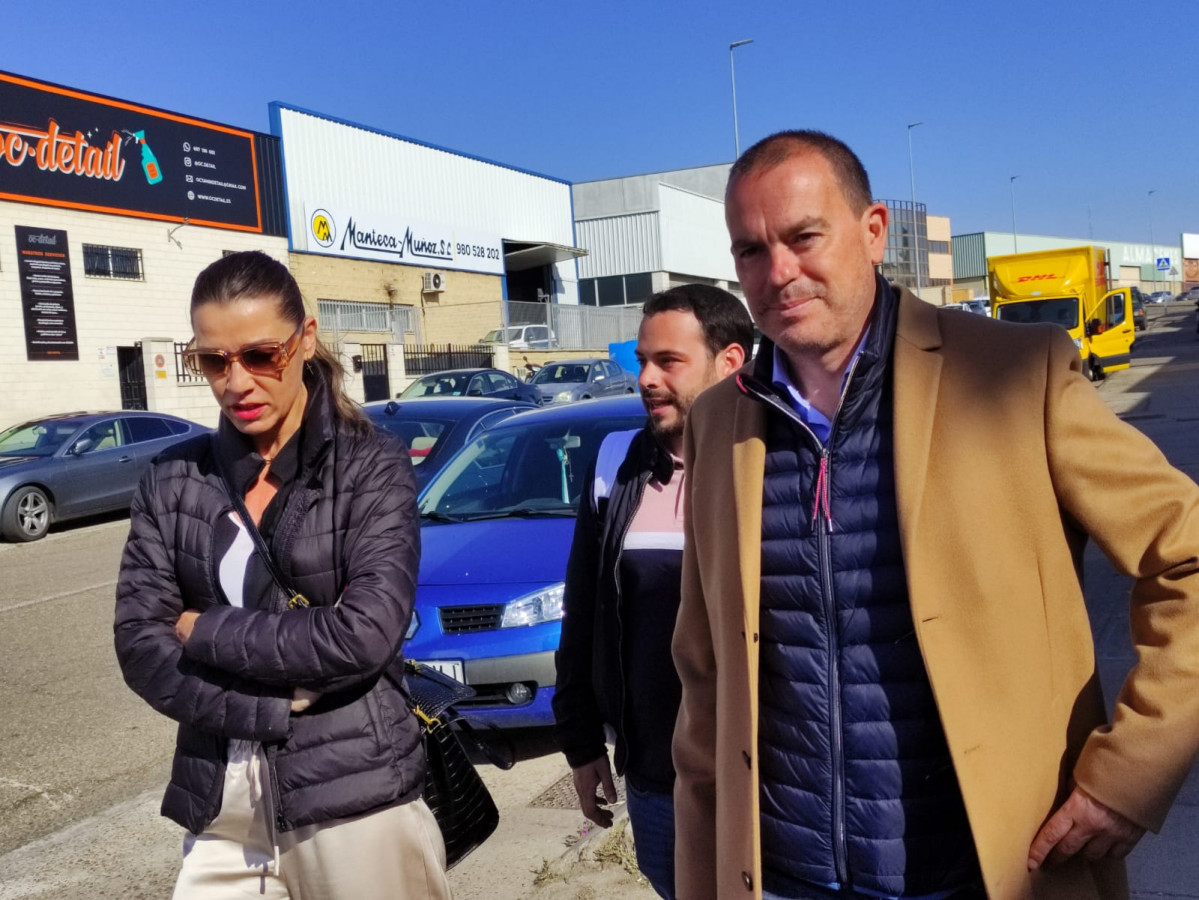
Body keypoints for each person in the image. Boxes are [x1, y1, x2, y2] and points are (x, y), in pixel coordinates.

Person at [671, 131, 1199, 900]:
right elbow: (703, 672)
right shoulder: (720, 421)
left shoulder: (1016, 374)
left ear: (873, 230)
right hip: (782, 875)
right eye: (750, 250)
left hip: (981, 871)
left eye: (802, 236)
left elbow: (1184, 555)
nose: (778, 271)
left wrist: (1131, 774)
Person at [114, 251, 451, 899]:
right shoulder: (174, 478)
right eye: (213, 361)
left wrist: (202, 629)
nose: (236, 381)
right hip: (220, 803)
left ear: (304, 341)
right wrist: (269, 703)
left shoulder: (369, 466)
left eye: (259, 355)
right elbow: (139, 643)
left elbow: (362, 636)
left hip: (355, 794)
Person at [553, 284, 753, 899]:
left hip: (762, 777)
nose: (645, 378)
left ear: (730, 363)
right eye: (641, 361)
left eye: (668, 362)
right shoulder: (617, 465)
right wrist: (582, 743)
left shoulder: (773, 462)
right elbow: (582, 611)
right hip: (655, 777)